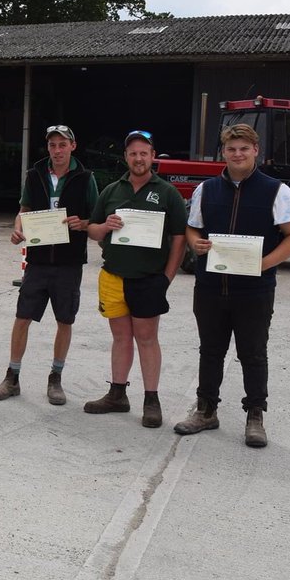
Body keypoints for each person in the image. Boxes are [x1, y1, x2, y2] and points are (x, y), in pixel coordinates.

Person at [176, 123, 290, 447]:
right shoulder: (206, 189)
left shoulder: (277, 191)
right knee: (210, 351)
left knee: (253, 354)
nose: (237, 154)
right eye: (232, 149)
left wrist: (265, 263)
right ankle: (206, 410)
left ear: (255, 151)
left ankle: (255, 416)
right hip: (210, 287)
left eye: (244, 149)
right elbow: (193, 229)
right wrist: (196, 244)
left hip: (254, 290)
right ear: (224, 152)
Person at [0, 125, 98, 405]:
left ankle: (55, 378)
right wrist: (16, 229)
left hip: (69, 263)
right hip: (37, 261)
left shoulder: (86, 178)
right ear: (47, 148)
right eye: (52, 145)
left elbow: (97, 219)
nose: (57, 150)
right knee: (22, 317)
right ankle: (12, 377)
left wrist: (83, 223)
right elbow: (24, 211)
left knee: (64, 320)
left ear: (73, 146)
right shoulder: (34, 175)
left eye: (62, 144)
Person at [85, 130, 187, 427]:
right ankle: (117, 394)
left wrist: (166, 278)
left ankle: (151, 400)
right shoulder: (111, 191)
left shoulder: (167, 192)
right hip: (114, 276)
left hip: (148, 279)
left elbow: (179, 238)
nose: (138, 158)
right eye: (133, 153)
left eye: (144, 153)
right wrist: (104, 226)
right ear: (126, 157)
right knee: (119, 338)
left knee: (146, 338)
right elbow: (92, 230)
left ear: (153, 156)